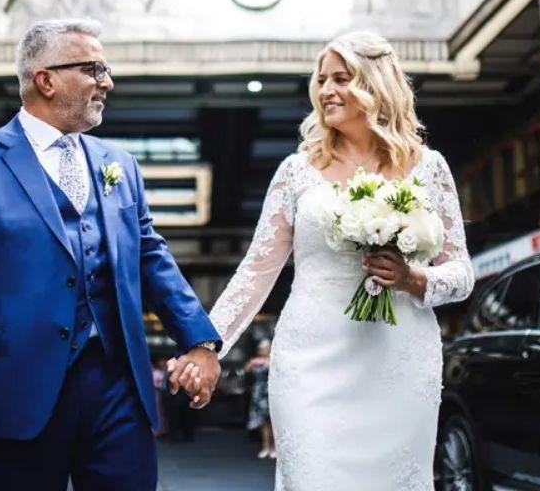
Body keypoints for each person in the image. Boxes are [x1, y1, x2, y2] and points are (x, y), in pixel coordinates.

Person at [0, 18, 221, 491]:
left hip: (118, 386)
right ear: (46, 79)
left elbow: (150, 256)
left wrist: (199, 340)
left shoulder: (119, 164)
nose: (107, 82)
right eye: (94, 69)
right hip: (14, 386)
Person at [199, 32, 474, 490]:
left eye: (341, 79)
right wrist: (207, 343)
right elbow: (255, 273)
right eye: (321, 80)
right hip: (310, 361)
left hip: (398, 359)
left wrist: (412, 278)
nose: (326, 90)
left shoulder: (429, 167)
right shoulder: (296, 171)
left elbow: (462, 272)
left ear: (375, 84)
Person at [245, 339, 274, 459]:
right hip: (259, 392)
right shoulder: (256, 361)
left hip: (270, 392)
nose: (262, 351)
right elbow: (246, 369)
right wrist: (253, 363)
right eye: (261, 349)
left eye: (264, 348)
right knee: (263, 422)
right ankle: (266, 447)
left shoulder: (274, 360)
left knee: (273, 422)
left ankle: (274, 448)